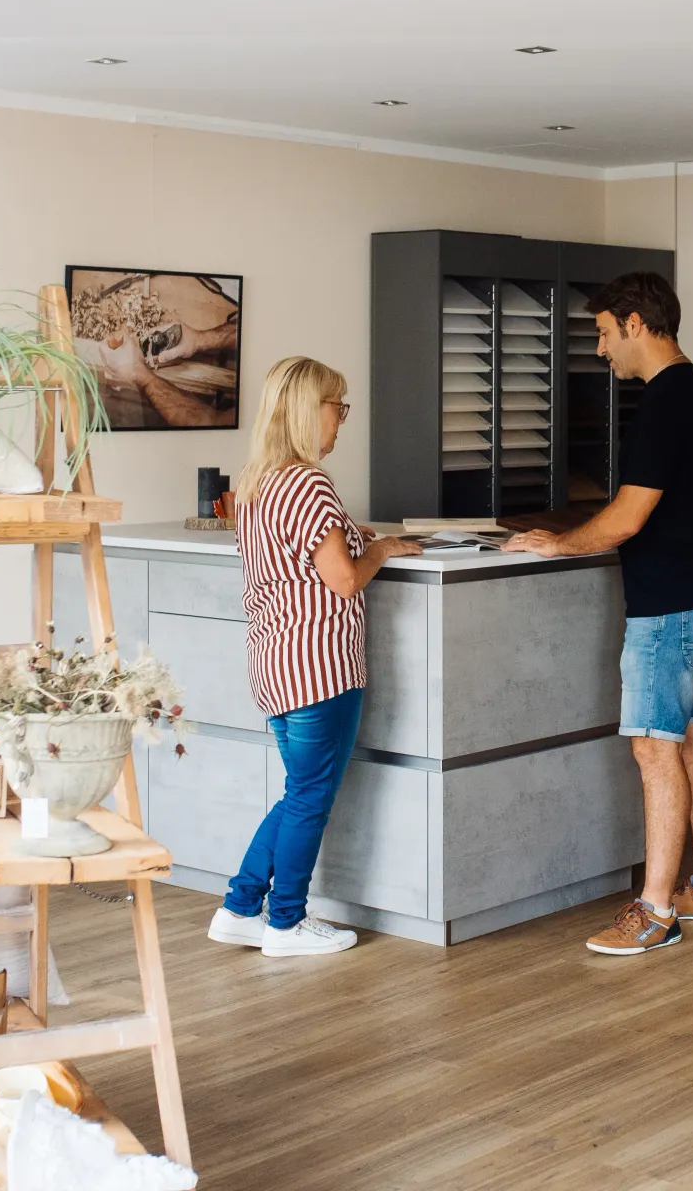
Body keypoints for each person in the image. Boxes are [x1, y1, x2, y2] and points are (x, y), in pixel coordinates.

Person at [505, 272, 693, 957]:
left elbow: (626, 519)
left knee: (653, 747)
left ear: (636, 323)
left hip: (668, 607)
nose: (601, 349)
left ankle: (656, 910)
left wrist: (558, 543)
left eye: (605, 333)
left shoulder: (662, 406)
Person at [206, 356, 423, 957]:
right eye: (337, 407)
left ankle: (240, 908)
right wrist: (381, 549)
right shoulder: (307, 483)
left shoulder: (257, 484)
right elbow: (345, 579)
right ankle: (286, 923)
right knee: (308, 797)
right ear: (308, 410)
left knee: (299, 791)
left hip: (275, 663)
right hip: (320, 667)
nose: (342, 420)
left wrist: (361, 538)